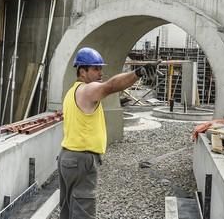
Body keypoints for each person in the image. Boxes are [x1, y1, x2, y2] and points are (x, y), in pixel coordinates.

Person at [58, 47, 157, 219]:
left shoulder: (71, 92)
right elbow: (110, 86)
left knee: (68, 210)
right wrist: (138, 73)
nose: (100, 72)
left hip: (67, 158)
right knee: (83, 211)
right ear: (82, 71)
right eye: (96, 68)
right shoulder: (87, 90)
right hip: (82, 160)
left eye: (100, 68)